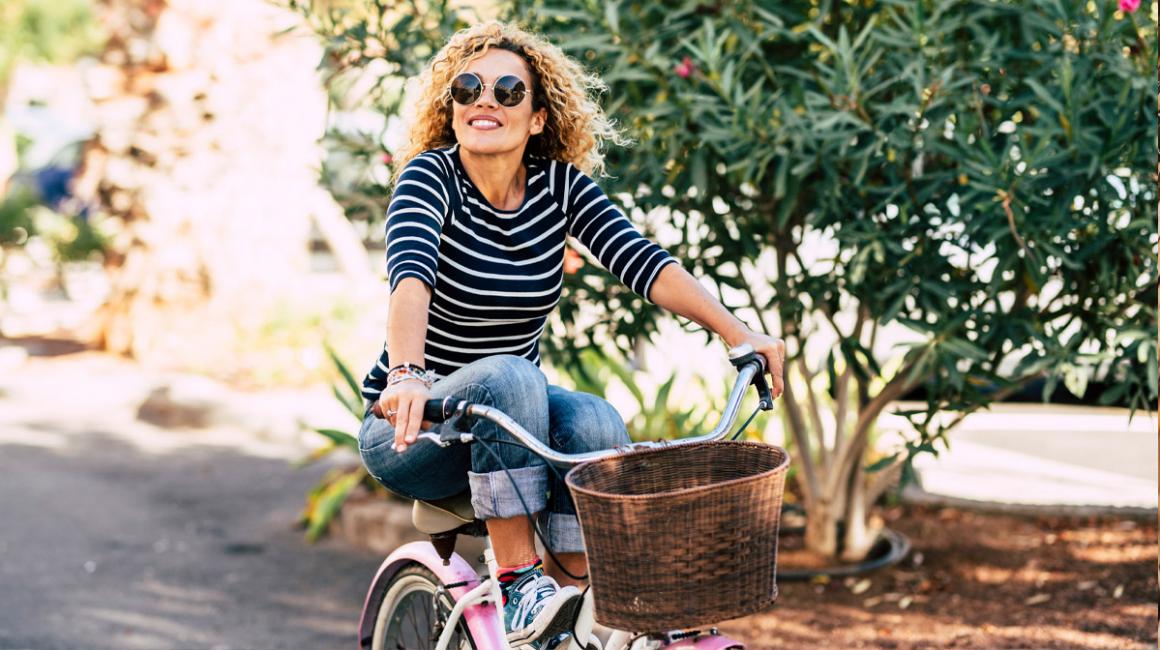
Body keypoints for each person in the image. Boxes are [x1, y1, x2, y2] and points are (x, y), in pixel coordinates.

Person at [357, 20, 786, 647]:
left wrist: (738, 332)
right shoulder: (430, 179)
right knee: (511, 375)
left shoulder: (558, 188)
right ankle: (518, 585)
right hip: (413, 425)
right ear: (451, 107)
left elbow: (642, 261)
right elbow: (411, 277)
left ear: (537, 118)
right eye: (468, 88)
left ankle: (570, 613)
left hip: (509, 420)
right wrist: (406, 374)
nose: (484, 100)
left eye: (508, 91)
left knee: (594, 420)